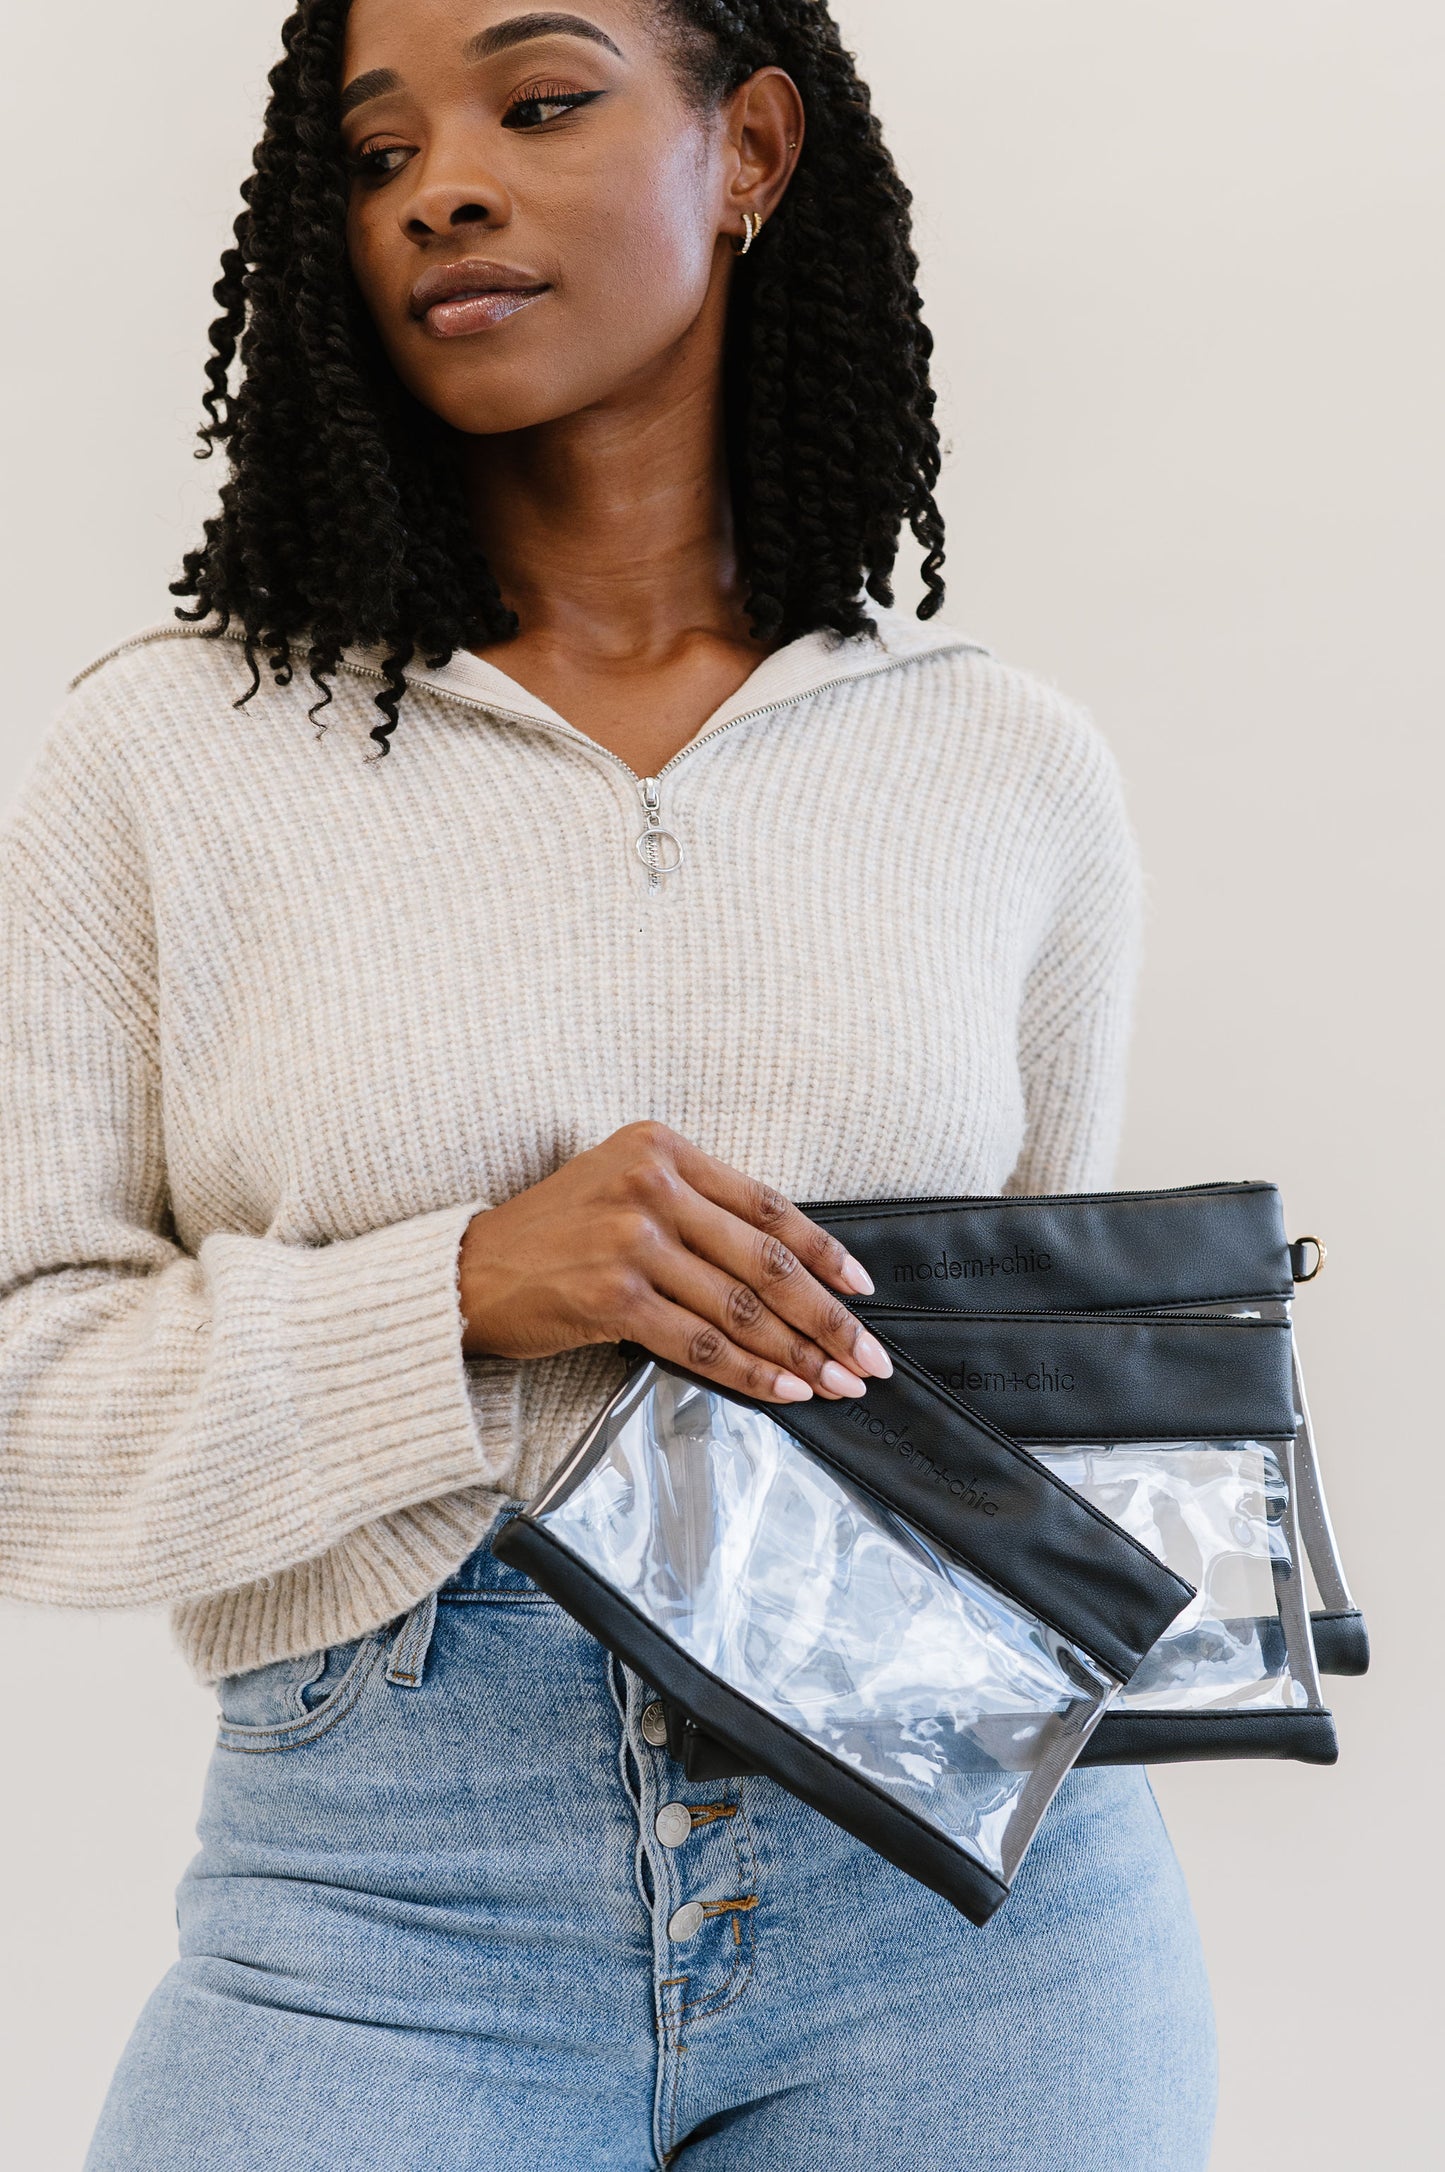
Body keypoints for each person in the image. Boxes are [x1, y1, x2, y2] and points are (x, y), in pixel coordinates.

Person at [0, 2, 1216, 2165]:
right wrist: (459, 1286)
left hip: (973, 1914)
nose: (439, 187)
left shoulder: (1001, 766)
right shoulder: (164, 759)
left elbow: (1017, 1386)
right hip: (380, 1898)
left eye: (538, 103)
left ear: (748, 147)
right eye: (375, 156)